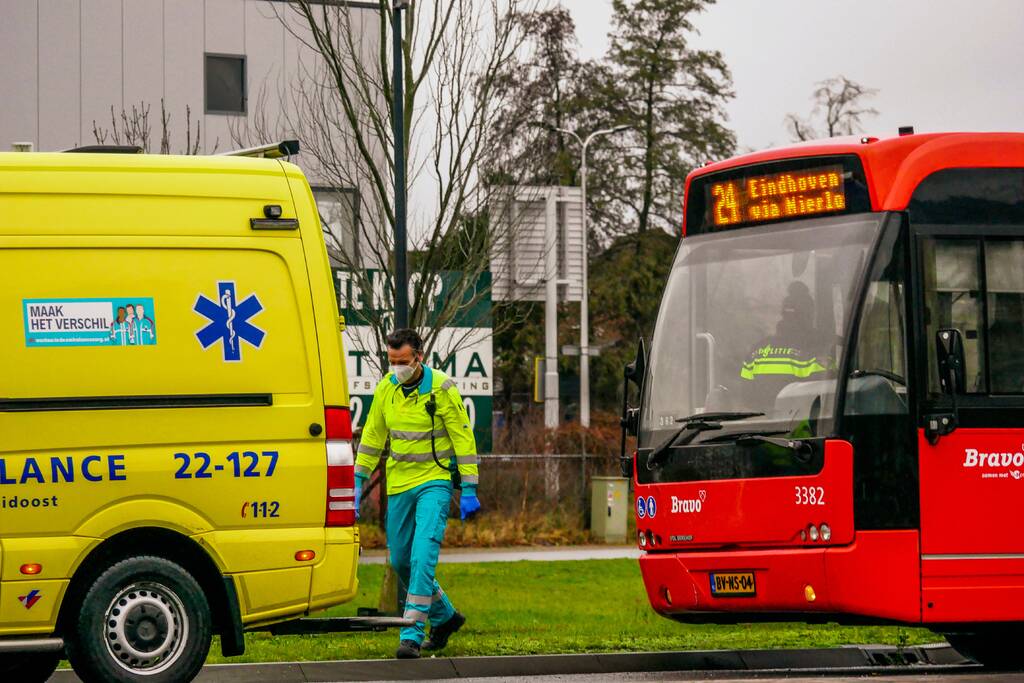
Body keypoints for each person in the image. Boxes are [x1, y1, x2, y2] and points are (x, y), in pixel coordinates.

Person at [355, 328, 481, 660]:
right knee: (400, 560)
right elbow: (372, 437)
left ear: (419, 357)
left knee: (422, 557)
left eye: (403, 361)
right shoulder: (387, 388)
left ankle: (411, 634)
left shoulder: (442, 388)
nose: (397, 367)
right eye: (392, 360)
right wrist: (357, 480)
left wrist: (469, 487)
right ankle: (446, 617)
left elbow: (463, 438)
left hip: (434, 482)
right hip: (399, 484)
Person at [740, 281, 834, 409]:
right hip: (802, 422)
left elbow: (746, 399)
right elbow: (831, 400)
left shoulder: (756, 352)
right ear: (808, 315)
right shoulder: (816, 353)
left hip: (761, 421)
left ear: (783, 315)